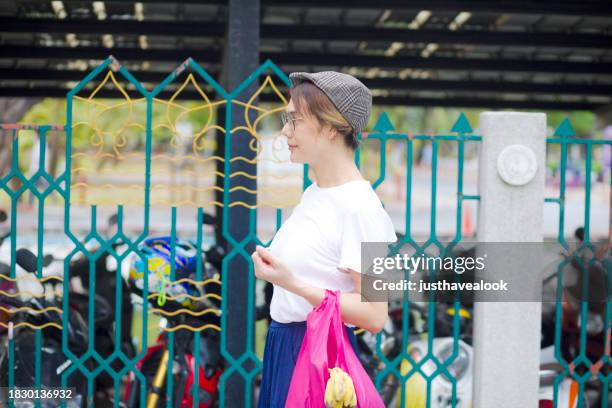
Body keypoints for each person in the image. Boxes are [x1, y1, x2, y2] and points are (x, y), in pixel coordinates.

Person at [252, 71, 397, 407]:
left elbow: (375, 313)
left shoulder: (363, 210)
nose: (286, 131)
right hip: (284, 348)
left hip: (315, 357)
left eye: (295, 120)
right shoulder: (316, 193)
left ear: (332, 127)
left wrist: (293, 284)